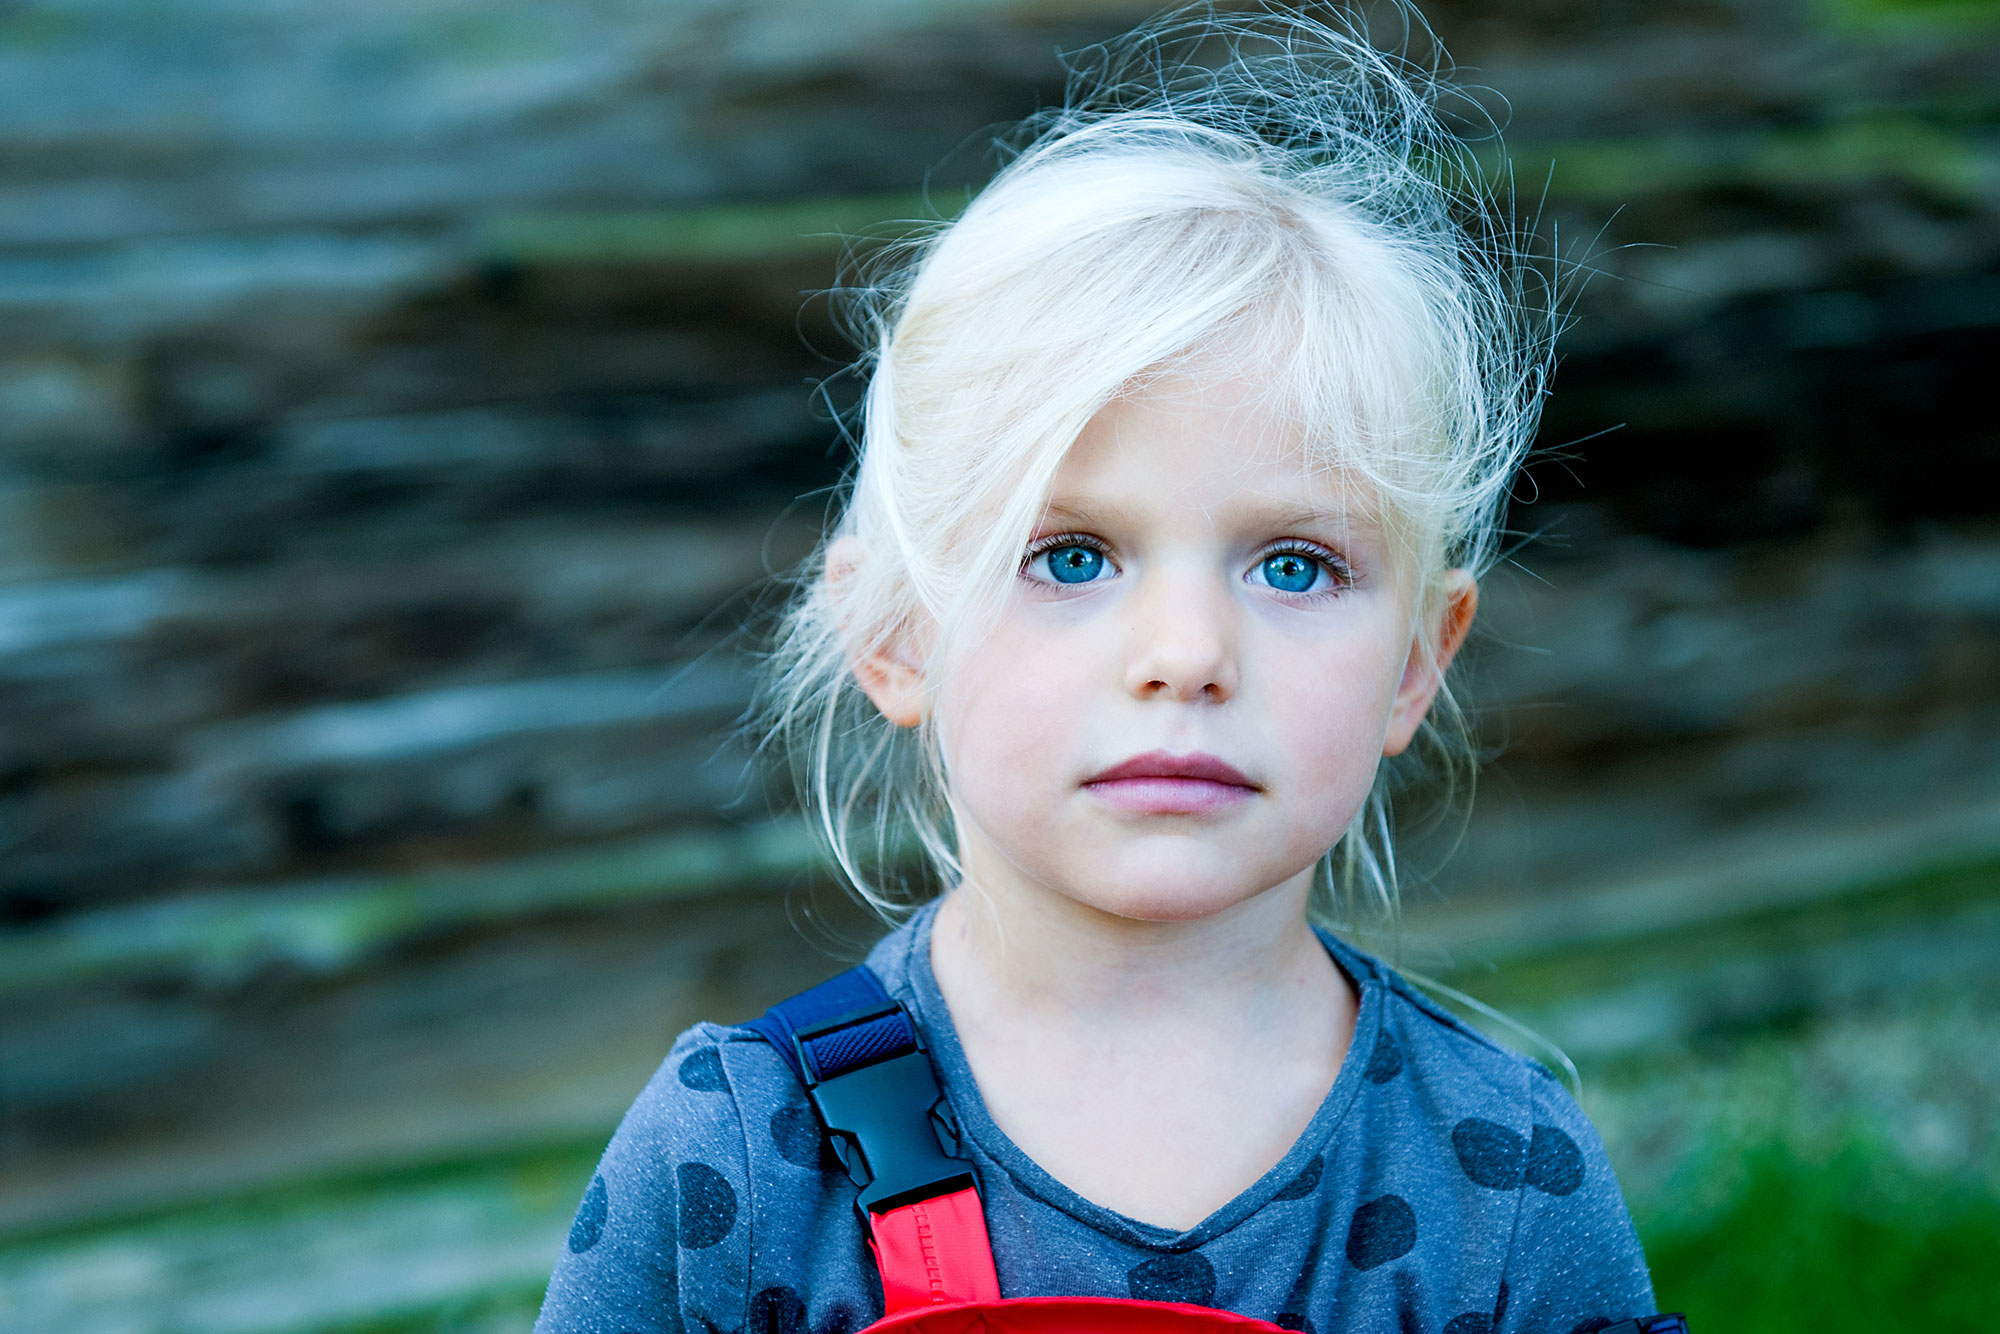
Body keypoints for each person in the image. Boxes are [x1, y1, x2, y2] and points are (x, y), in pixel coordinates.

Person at [534, 7, 1658, 1332]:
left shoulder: (1504, 1180)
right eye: (1072, 556)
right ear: (897, 632)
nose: (1186, 655)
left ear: (1416, 664)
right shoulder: (736, 1159)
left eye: (1293, 565)